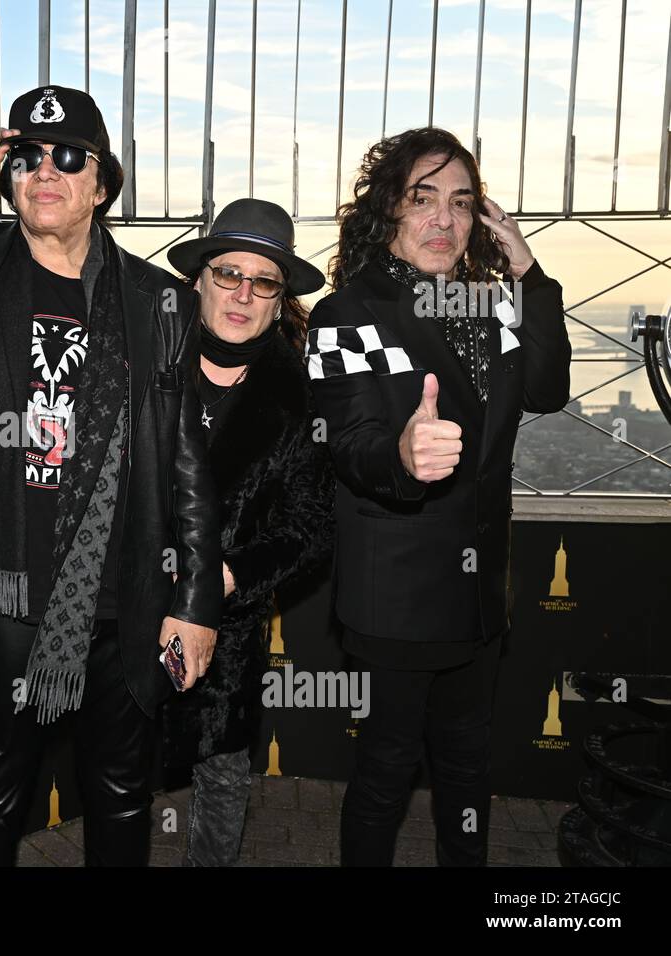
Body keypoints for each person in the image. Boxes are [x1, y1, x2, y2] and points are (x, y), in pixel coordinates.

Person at [0, 85, 222, 865]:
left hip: (123, 596)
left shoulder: (159, 302)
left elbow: (186, 455)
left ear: (102, 183)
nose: (44, 171)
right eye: (26, 156)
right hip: (4, 594)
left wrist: (195, 599)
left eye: (68, 157)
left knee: (122, 798)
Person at [306, 127, 571, 865]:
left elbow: (549, 389)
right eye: (423, 199)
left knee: (467, 770)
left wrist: (529, 269)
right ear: (388, 210)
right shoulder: (346, 314)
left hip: (480, 592)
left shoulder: (490, 302)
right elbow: (348, 443)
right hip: (397, 593)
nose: (443, 220)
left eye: (460, 203)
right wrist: (400, 454)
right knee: (387, 772)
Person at [161, 199, 336, 866]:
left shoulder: (300, 399)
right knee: (114, 774)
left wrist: (219, 581)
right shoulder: (143, 367)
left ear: (279, 297)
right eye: (228, 274)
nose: (242, 293)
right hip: (121, 611)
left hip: (225, 628)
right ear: (199, 279)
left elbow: (310, 528)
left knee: (222, 779)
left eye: (263, 282)